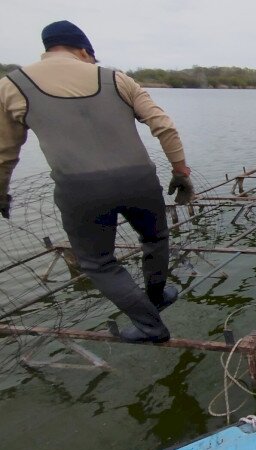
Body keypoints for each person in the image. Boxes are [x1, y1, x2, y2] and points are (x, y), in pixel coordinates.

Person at [0, 20, 196, 342]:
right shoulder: (117, 79)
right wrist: (180, 172)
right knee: (156, 238)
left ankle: (150, 325)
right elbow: (165, 126)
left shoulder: (11, 86)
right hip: (140, 181)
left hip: (81, 190)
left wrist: (1, 193)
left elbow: (4, 153)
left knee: (99, 262)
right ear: (84, 50)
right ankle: (157, 296)